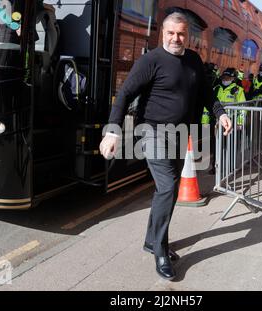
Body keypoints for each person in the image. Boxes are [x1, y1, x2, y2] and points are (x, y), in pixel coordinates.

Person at [99, 12, 232, 281]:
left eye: (181, 33)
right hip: (152, 132)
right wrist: (112, 131)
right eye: (171, 33)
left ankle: (151, 240)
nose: (176, 38)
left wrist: (221, 113)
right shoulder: (151, 60)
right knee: (169, 186)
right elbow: (124, 94)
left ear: (188, 35)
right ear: (163, 33)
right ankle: (159, 249)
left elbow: (206, 92)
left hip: (182, 134)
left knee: (164, 189)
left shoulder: (194, 60)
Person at [208, 68, 247, 174]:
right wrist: (205, 120)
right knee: (216, 145)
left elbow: (242, 108)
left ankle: (230, 167)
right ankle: (215, 167)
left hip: (231, 121)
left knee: (231, 145)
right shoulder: (216, 88)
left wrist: (239, 122)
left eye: (228, 78)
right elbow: (209, 105)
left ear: (233, 78)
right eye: (224, 78)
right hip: (217, 120)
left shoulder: (238, 90)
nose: (225, 79)